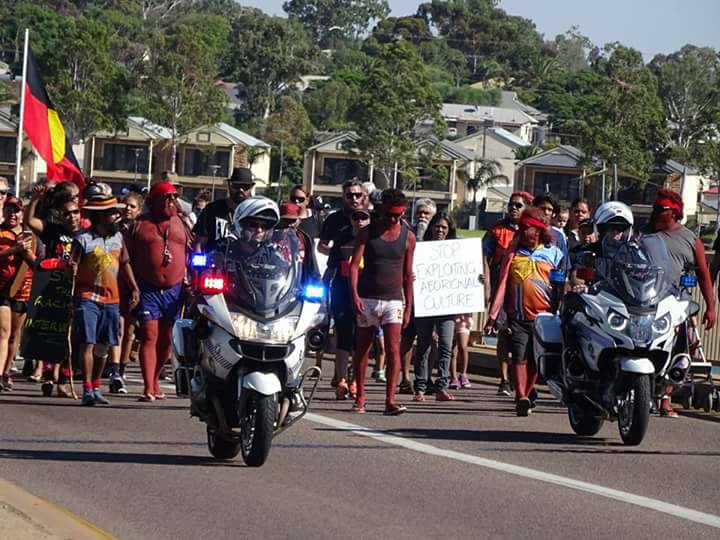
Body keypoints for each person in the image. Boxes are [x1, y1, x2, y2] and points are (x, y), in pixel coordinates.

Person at [642, 189, 716, 418]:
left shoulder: (690, 239)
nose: (654, 214)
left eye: (660, 210)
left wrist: (711, 307)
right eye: (654, 209)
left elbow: (704, 274)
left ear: (673, 213)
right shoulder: (643, 234)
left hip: (673, 303)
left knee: (676, 351)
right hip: (642, 301)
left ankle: (665, 398)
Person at [485, 207, 565, 416]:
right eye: (523, 231)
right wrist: (493, 317)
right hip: (518, 317)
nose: (526, 237)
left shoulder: (554, 253)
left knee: (535, 361)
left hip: (544, 318)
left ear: (539, 232)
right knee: (519, 356)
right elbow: (502, 283)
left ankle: (527, 394)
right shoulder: (513, 252)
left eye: (530, 231)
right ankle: (521, 396)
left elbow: (562, 283)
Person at [349, 188, 416, 415]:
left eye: (398, 215)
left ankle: (390, 400)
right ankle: (360, 398)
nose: (393, 220)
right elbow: (354, 265)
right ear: (381, 211)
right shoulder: (367, 233)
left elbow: (408, 275)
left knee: (394, 349)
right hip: (367, 298)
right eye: (389, 215)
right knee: (363, 349)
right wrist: (355, 295)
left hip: (394, 300)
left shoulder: (408, 237)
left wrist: (408, 307)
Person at [71, 194, 140, 406]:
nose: (117, 216)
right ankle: (87, 390)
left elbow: (125, 263)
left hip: (112, 300)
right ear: (101, 216)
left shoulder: (118, 238)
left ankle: (96, 386)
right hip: (87, 298)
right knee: (88, 343)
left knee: (103, 347)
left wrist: (134, 288)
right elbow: (71, 267)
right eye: (113, 213)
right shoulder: (82, 239)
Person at [127, 182, 189, 402]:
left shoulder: (182, 223)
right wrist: (132, 287)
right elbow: (127, 259)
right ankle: (147, 386)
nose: (171, 201)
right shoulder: (139, 226)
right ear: (154, 200)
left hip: (175, 289)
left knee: (167, 339)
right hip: (148, 288)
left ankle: (155, 380)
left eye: (173, 197)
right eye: (167, 197)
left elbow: (193, 253)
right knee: (149, 336)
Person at [25, 184, 84, 396]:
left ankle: (64, 382)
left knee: (71, 339)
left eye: (75, 212)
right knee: (52, 334)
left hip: (76, 290)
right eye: (67, 214)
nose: (72, 217)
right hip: (53, 288)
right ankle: (49, 377)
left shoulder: (85, 233)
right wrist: (34, 201)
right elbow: (30, 222)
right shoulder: (52, 230)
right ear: (61, 215)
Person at [483, 191, 533, 397]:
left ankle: (521, 379)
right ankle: (504, 379)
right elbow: (484, 257)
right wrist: (487, 286)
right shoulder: (496, 230)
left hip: (524, 291)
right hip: (501, 289)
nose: (513, 208)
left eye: (518, 205)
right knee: (503, 333)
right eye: (511, 205)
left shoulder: (532, 231)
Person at [325, 206, 371, 399]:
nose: (359, 221)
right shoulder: (342, 238)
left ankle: (355, 381)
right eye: (355, 218)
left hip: (365, 295)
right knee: (343, 338)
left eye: (363, 218)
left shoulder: (373, 240)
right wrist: (321, 290)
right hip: (342, 294)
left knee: (360, 340)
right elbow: (331, 267)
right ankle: (342, 379)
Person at [412, 212, 458, 402]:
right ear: (431, 228)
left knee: (446, 345)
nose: (440, 230)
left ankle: (442, 387)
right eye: (437, 226)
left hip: (447, 305)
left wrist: (476, 281)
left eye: (444, 227)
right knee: (423, 344)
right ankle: (420, 387)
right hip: (425, 302)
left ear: (449, 230)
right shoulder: (421, 249)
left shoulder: (457, 251)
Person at [398, 198, 437, 393]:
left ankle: (425, 377)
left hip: (431, 297)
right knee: (407, 337)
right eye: (420, 213)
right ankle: (405, 377)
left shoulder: (438, 238)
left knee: (430, 339)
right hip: (410, 295)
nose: (422, 217)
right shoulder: (406, 234)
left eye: (426, 214)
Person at [0, 197, 35, 391]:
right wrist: (14, 249)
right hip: (2, 289)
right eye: (9, 210)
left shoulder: (30, 235)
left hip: (23, 290)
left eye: (16, 211)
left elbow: (37, 263)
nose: (13, 214)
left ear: (22, 214)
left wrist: (27, 252)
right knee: (3, 332)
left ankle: (7, 372)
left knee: (14, 335)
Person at [112, 191, 145, 393]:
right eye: (125, 205)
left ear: (139, 210)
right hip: (116, 281)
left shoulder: (142, 231)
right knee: (119, 327)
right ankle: (114, 369)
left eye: (132, 206)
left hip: (136, 284)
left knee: (131, 330)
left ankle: (122, 368)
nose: (128, 209)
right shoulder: (114, 229)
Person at [193, 167, 254, 252]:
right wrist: (197, 262)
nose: (241, 190)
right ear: (229, 185)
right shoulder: (212, 210)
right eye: (236, 186)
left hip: (244, 263)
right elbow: (199, 242)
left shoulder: (255, 213)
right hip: (215, 262)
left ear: (251, 188)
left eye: (245, 186)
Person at [318, 179, 368, 256]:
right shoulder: (334, 219)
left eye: (358, 195)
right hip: (339, 265)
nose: (354, 198)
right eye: (349, 195)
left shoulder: (371, 218)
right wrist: (336, 253)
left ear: (363, 196)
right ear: (343, 196)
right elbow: (321, 246)